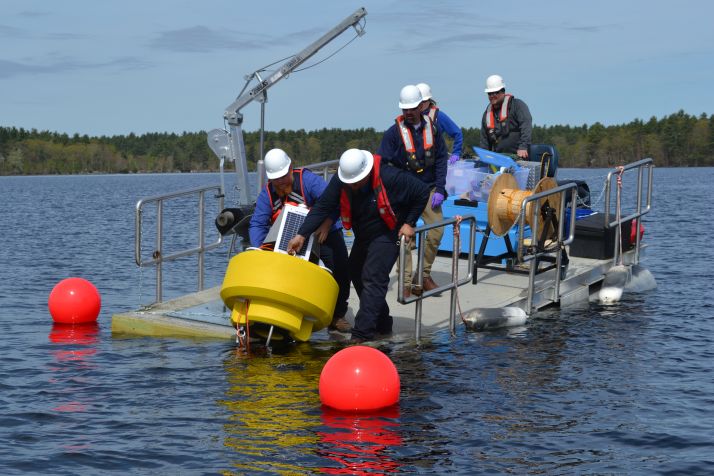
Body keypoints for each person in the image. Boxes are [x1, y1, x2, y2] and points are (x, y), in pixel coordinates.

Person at [287, 149, 430, 343]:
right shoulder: (341, 180)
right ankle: (382, 323)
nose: (352, 185)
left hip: (389, 233)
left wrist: (409, 222)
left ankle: (361, 335)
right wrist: (301, 235)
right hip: (364, 233)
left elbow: (421, 192)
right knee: (354, 270)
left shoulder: (391, 176)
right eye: (349, 182)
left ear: (368, 172)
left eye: (356, 181)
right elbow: (323, 206)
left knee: (373, 277)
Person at [248, 148, 351, 333]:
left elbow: (334, 201)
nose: (280, 183)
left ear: (290, 168)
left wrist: (327, 224)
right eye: (275, 179)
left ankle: (337, 314)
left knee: (340, 268)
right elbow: (257, 223)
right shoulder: (267, 194)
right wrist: (260, 250)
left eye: (283, 177)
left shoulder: (309, 181)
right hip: (289, 238)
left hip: (322, 232)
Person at [377, 84, 449, 296]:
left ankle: (423, 275)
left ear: (420, 107)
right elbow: (382, 165)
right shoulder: (392, 135)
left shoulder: (433, 130)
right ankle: (406, 283)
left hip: (428, 189)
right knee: (404, 237)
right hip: (404, 192)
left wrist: (441, 188)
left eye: (412, 108)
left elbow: (441, 159)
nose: (408, 112)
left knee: (436, 231)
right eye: (404, 109)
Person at [479, 74, 532, 159]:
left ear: (503, 92)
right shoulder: (487, 114)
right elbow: (484, 141)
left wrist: (523, 147)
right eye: (490, 93)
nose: (492, 96)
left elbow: (526, 125)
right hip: (499, 160)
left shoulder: (517, 105)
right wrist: (484, 157)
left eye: (496, 92)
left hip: (519, 157)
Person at [416, 82, 464, 165]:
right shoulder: (410, 117)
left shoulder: (438, 116)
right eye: (419, 102)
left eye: (423, 101)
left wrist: (456, 153)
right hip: (416, 162)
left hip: (435, 163)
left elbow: (457, 133)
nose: (421, 104)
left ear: (429, 100)